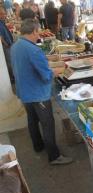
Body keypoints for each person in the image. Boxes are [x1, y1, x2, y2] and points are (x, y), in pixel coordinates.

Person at [10, 19, 73, 165]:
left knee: (32, 120)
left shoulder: (15, 46)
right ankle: (54, 156)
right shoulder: (34, 50)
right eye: (37, 31)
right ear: (33, 32)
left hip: (24, 91)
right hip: (37, 94)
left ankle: (38, 146)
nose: (38, 35)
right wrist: (57, 71)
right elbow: (45, 76)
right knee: (47, 123)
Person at [0, 7, 14, 82]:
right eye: (2, 14)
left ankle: (12, 76)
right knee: (9, 61)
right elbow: (0, 37)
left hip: (8, 44)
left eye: (4, 13)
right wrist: (6, 44)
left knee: (10, 60)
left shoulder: (2, 22)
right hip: (6, 46)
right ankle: (12, 78)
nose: (4, 15)